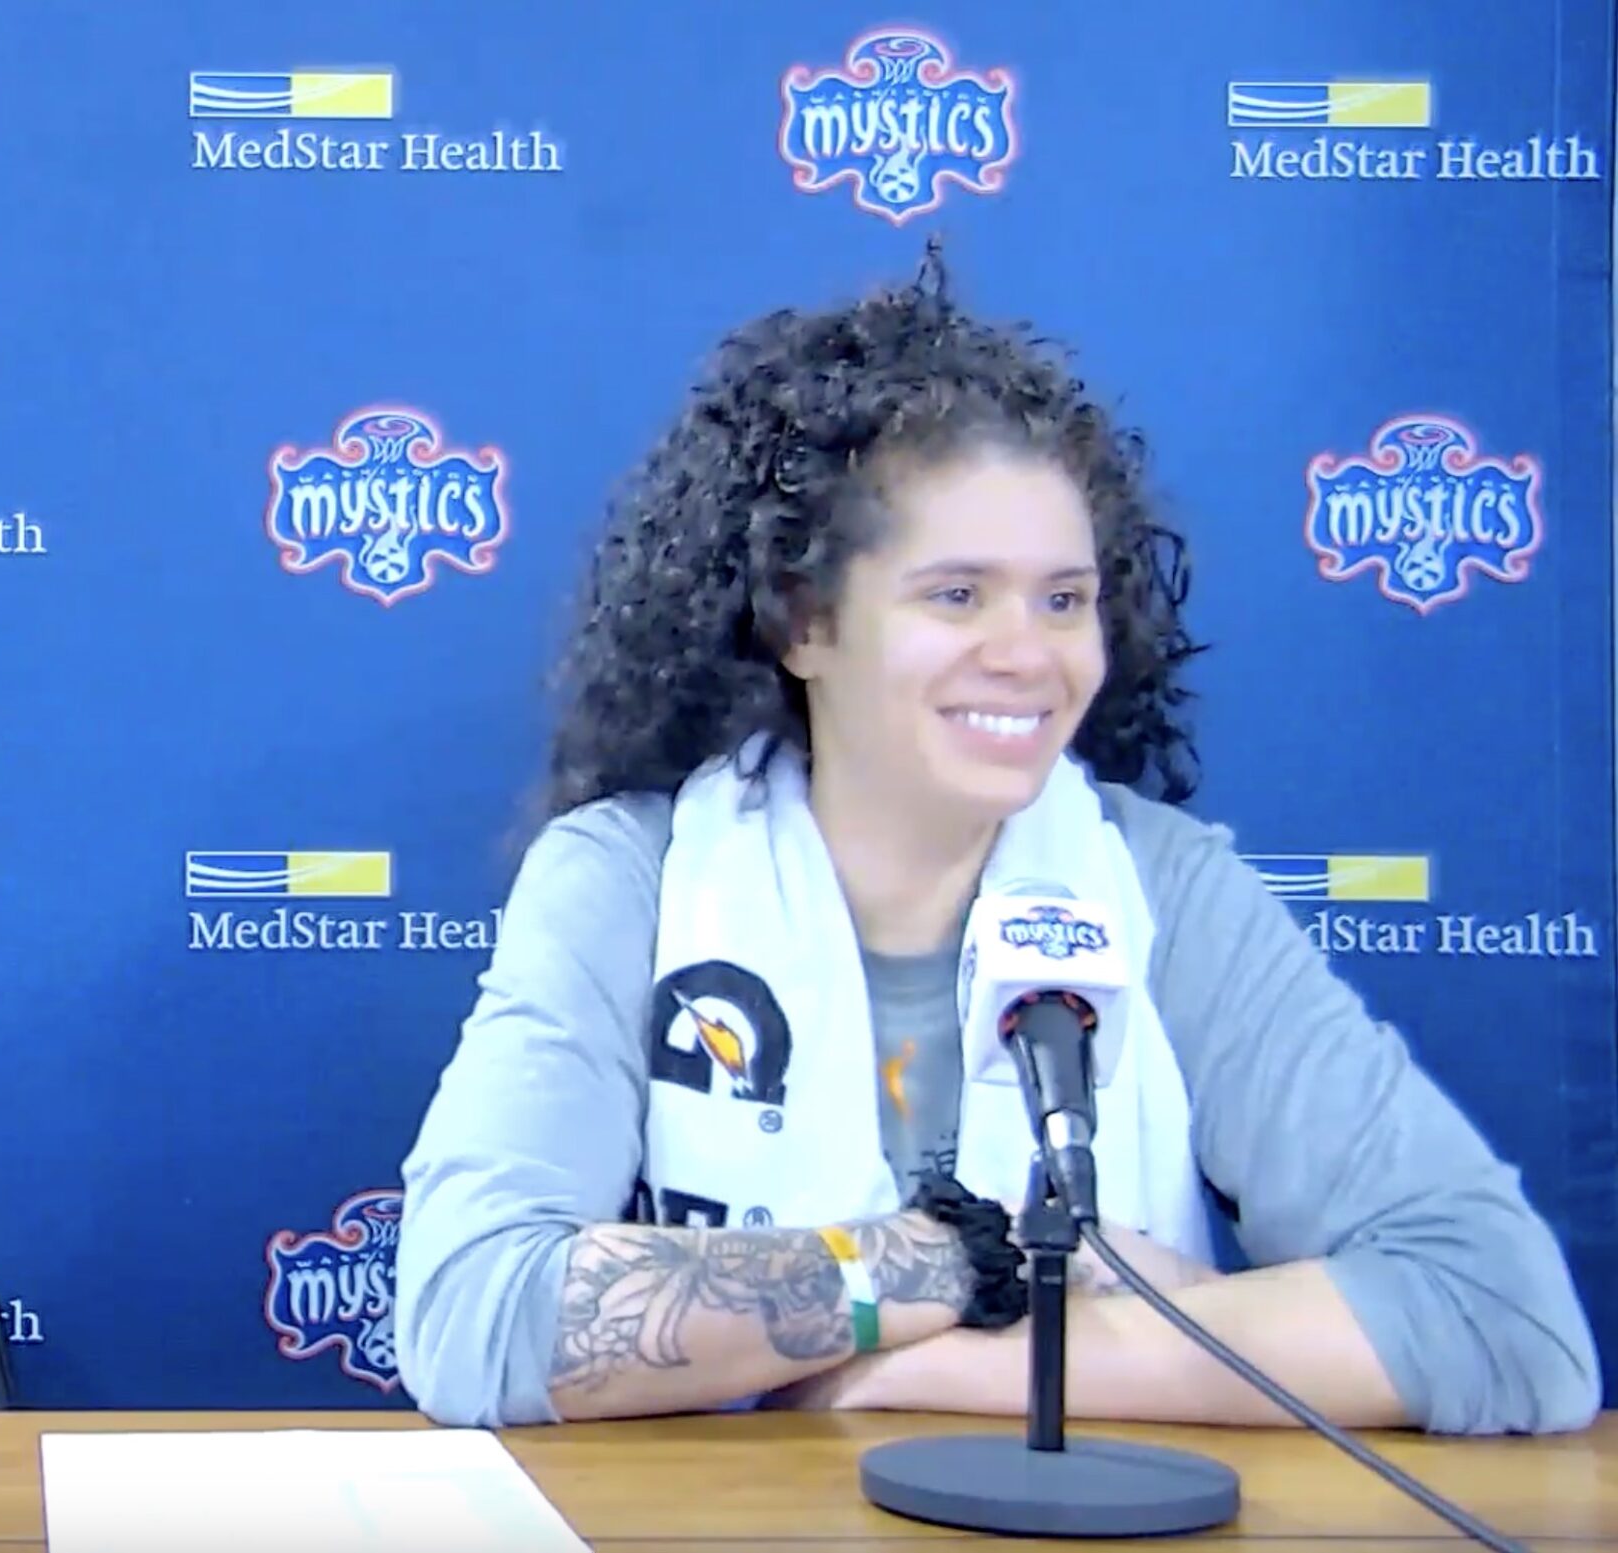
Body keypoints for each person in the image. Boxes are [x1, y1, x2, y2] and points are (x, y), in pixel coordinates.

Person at [392, 247, 1602, 1436]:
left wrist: (924, 1374)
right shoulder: (625, 877)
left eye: (1064, 598)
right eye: (956, 594)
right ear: (802, 622)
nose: (1030, 654)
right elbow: (475, 1315)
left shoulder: (1164, 887)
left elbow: (1505, 1318)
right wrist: (965, 1265)